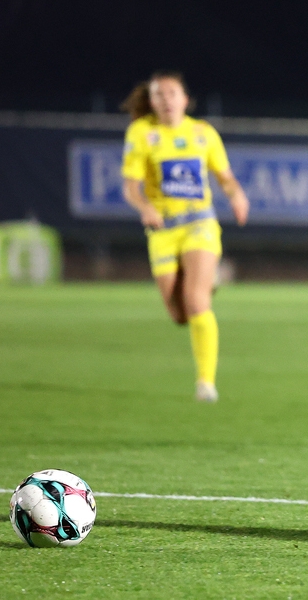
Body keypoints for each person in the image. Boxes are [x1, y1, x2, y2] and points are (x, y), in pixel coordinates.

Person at [120, 71, 249, 402]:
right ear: (151, 102)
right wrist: (145, 207)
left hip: (199, 224)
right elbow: (131, 188)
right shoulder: (141, 133)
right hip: (162, 231)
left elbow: (226, 177)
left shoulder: (203, 133)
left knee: (195, 301)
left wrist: (236, 196)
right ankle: (209, 280)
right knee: (179, 315)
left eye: (172, 93)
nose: (166, 100)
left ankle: (206, 383)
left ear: (185, 100)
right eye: (158, 95)